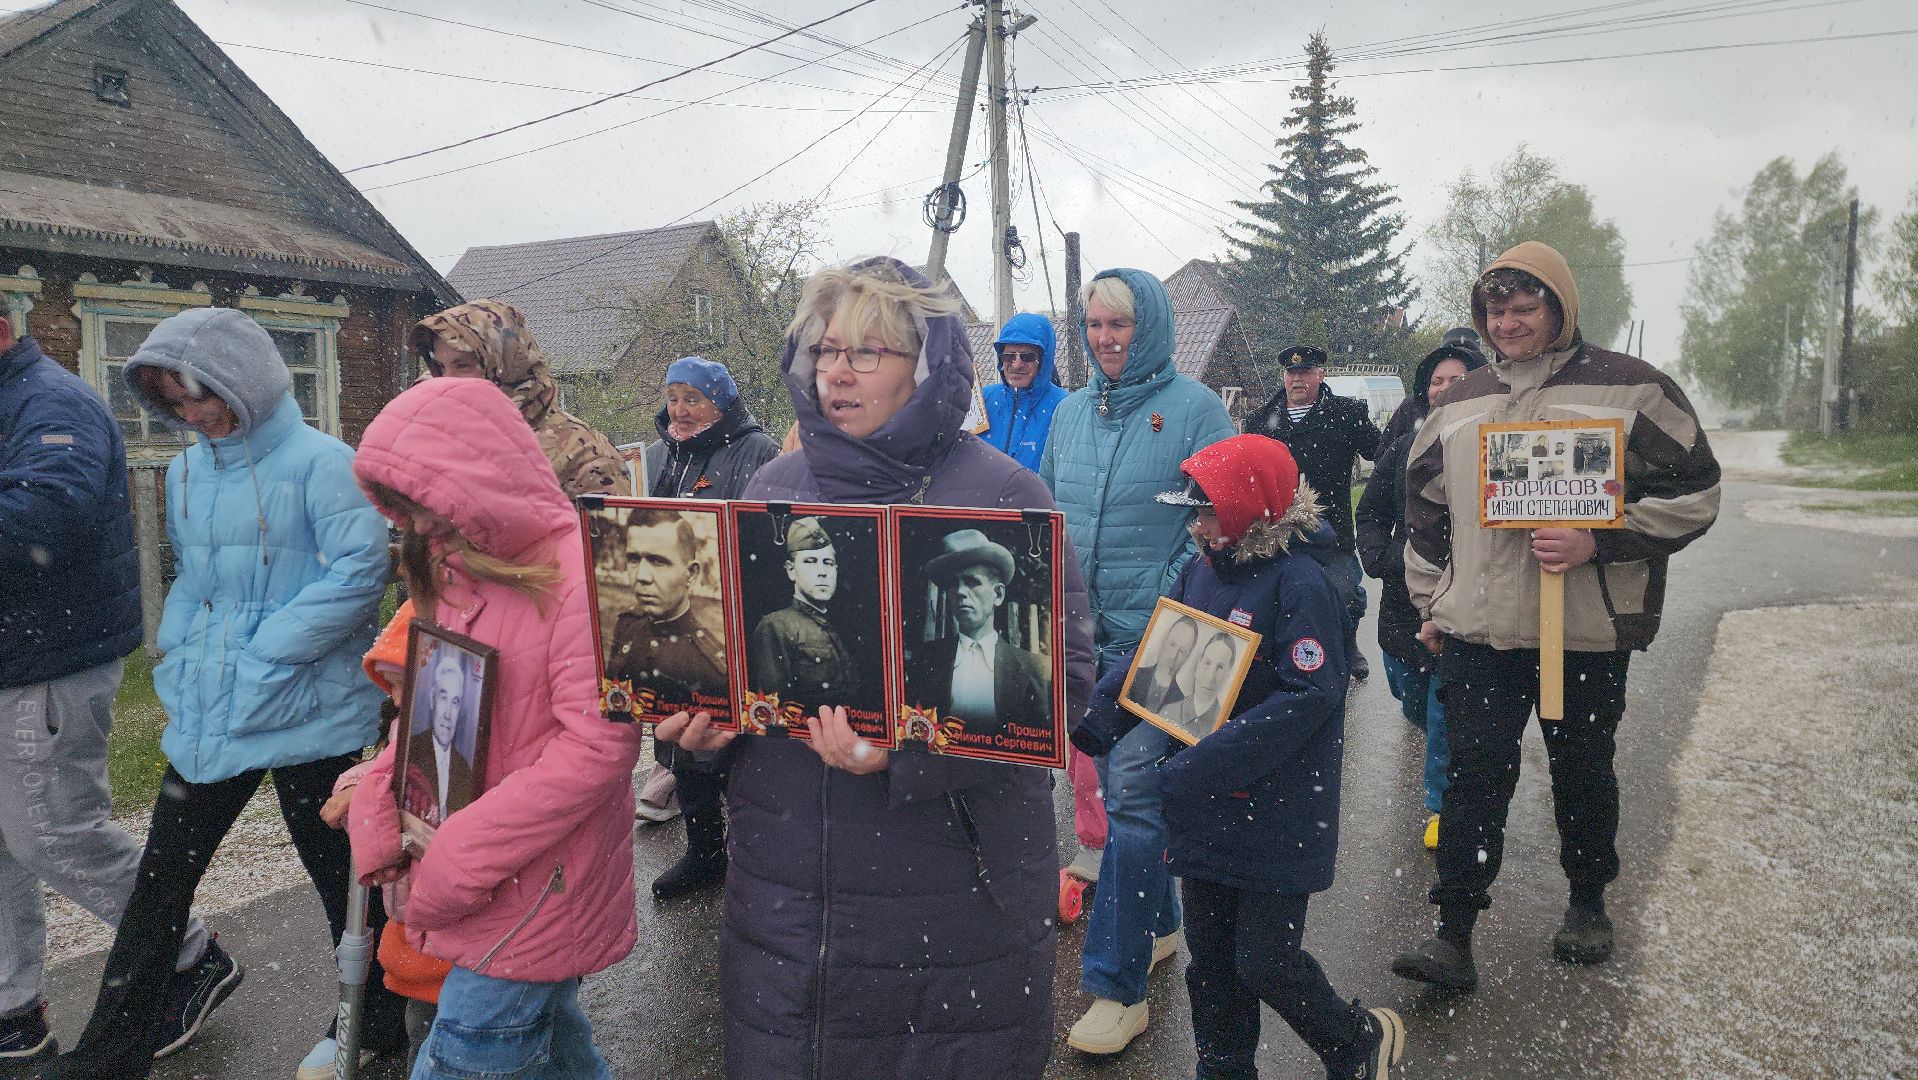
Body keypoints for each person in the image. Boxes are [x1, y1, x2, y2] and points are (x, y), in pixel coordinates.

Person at [656, 257, 1094, 1077]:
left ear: (926, 366)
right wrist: (705, 730)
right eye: (825, 350)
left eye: (867, 352)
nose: (837, 372)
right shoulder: (772, 488)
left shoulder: (1003, 494)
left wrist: (907, 754)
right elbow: (737, 663)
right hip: (786, 893)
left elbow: (1060, 689)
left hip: (952, 892)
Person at [40, 308, 405, 1078]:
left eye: (202, 394)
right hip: (217, 708)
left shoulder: (325, 464)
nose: (193, 413)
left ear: (248, 380)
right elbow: (195, 580)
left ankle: (375, 1021)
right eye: (174, 401)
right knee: (159, 885)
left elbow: (359, 573)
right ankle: (108, 1056)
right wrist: (180, 650)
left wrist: (267, 651)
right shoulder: (185, 473)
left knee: (343, 880)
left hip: (311, 709)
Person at [1391, 242, 1721, 993]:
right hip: (1481, 632)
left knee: (1582, 770)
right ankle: (1454, 934)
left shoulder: (1633, 389)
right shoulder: (1461, 400)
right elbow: (1425, 510)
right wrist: (1433, 601)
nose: (1507, 324)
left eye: (1524, 308)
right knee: (1474, 778)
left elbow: (1697, 492)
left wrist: (1600, 538)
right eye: (1495, 311)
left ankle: (1587, 901)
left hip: (1583, 633)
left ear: (1560, 307)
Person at [1075, 434, 1406, 1080]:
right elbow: (1161, 651)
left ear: (1252, 510)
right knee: (1214, 963)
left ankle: (1354, 1041)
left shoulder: (1302, 584)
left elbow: (1309, 696)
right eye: (1194, 513)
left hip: (1277, 812)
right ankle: (1223, 1066)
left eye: (1208, 512)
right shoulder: (1201, 570)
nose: (1197, 527)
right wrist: (1099, 719)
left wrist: (1198, 768)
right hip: (1206, 811)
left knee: (1265, 960)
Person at [348, 377, 643, 1080]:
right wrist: (385, 790)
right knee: (556, 1048)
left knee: (470, 1054)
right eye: (405, 510)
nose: (420, 527)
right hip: (496, 870)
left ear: (477, 485)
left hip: (541, 878)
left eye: (427, 504)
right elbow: (434, 705)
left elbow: (599, 747)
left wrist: (461, 852)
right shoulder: (457, 571)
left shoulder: (581, 575)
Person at [0, 315, 221, 1067]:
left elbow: (41, 518)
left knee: (55, 831)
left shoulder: (50, 402)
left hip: (49, 661)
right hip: (15, 656)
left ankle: (191, 955)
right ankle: (12, 1008)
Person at [1041, 268, 1234, 1055]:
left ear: (1148, 326)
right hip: (1089, 640)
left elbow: (1221, 526)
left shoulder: (1198, 409)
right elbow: (1047, 514)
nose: (1105, 339)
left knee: (1132, 804)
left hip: (1177, 638)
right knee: (1132, 804)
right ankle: (1159, 925)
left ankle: (1116, 992)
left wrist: (1164, 594)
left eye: (1118, 324)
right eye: (1094, 325)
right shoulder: (1069, 414)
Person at [634, 357, 776, 894]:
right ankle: (704, 852)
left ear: (722, 403)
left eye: (692, 399)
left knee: (733, 739)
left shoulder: (756, 450)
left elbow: (764, 533)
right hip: (667, 619)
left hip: (731, 621)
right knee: (679, 735)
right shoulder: (656, 456)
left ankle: (756, 858)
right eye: (673, 398)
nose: (680, 410)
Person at [1355, 341, 1486, 851]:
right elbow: (1370, 511)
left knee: (1441, 707)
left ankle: (1440, 808)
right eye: (1436, 380)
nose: (1444, 389)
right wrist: (1383, 557)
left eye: (1458, 379)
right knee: (1409, 695)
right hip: (1401, 603)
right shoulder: (1406, 447)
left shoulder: (1494, 445)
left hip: (1465, 602)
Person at [1246, 345, 1381, 681]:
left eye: (1305, 372)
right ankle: (1293, 657)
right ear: (1283, 376)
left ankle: (1347, 644)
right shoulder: (1261, 421)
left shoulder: (1346, 413)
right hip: (1278, 531)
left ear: (1321, 375)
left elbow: (1382, 455)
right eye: (1291, 372)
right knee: (1283, 598)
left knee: (1343, 593)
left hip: (1332, 527)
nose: (1298, 379)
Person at [409, 299, 628, 499]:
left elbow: (608, 532)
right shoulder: (444, 442)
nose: (446, 380)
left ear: (502, 366)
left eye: (462, 366)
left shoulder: (582, 453)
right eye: (440, 367)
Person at [902, 529, 1050, 739]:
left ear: (998, 594)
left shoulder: (1034, 670)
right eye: (954, 584)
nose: (960, 591)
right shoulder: (926, 660)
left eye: (972, 582)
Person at [746, 516, 856, 716]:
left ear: (836, 570)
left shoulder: (840, 626)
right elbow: (776, 709)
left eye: (828, 563)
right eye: (810, 562)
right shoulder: (775, 626)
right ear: (791, 570)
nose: (822, 572)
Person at [980, 312, 1067, 470]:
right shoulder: (983, 400)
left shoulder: (1064, 407)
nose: (1017, 364)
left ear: (1043, 360)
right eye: (1009, 356)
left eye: (1027, 357)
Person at [407, 650, 477, 821]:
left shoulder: (464, 769)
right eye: (443, 698)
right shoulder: (412, 750)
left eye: (455, 702)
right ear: (432, 699)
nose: (448, 714)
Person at [1160, 632, 1237, 741]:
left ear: (1227, 675)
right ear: (1198, 664)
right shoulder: (1168, 711)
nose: (1210, 677)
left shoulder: (1224, 727)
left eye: (1220, 667)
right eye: (1207, 663)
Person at [1128, 615, 1196, 717]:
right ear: (1164, 641)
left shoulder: (1180, 700)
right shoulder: (1135, 674)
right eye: (1172, 644)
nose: (1173, 656)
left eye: (1182, 651)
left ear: (1187, 657)